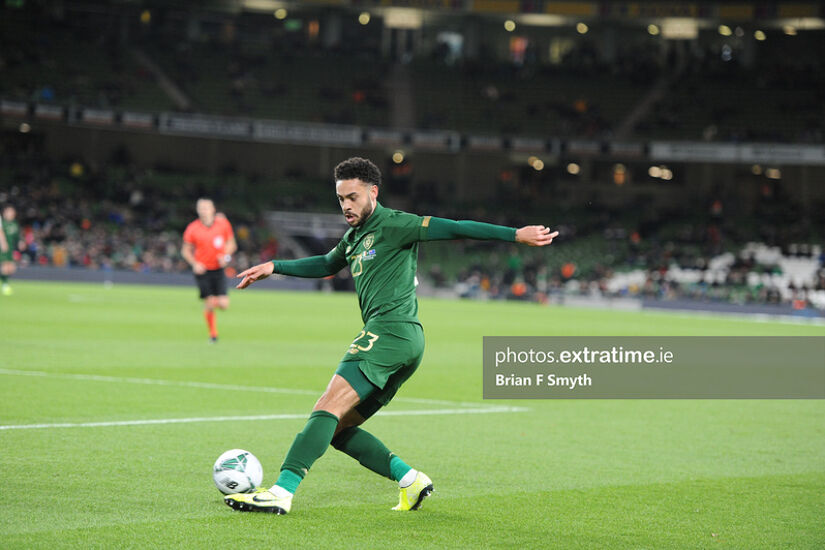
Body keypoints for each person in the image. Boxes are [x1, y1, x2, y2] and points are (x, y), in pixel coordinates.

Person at [225, 157, 557, 515]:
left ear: (373, 192)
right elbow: (325, 264)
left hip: (390, 331)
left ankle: (281, 492)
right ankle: (411, 480)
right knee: (337, 429)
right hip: (402, 341)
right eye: (341, 199)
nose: (346, 206)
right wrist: (275, 266)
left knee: (327, 406)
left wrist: (514, 235)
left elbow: (456, 227)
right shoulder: (354, 237)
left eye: (353, 197)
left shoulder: (397, 224)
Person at [181, 199, 237, 343]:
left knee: (224, 304)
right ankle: (213, 334)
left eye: (206, 208)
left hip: (218, 269)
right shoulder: (193, 228)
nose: (203, 210)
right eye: (200, 208)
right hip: (203, 270)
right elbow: (185, 250)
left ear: (213, 209)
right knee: (211, 302)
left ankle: (209, 305)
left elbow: (231, 244)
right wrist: (194, 263)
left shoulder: (223, 224)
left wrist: (226, 256)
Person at [1, 205, 22, 296]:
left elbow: (17, 236)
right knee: (5, 267)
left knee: (12, 268)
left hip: (11, 248)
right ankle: (5, 285)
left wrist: (20, 242)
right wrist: (3, 243)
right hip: (3, 248)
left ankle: (5, 283)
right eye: (9, 211)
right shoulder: (3, 223)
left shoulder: (15, 224)